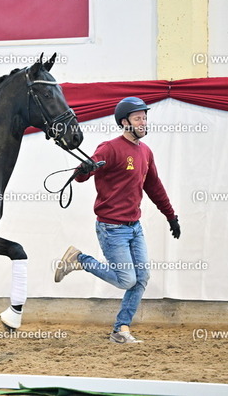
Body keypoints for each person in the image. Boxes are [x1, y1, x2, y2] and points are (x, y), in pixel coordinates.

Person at [54, 97, 181, 344]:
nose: (143, 122)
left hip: (135, 227)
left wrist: (171, 216)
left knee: (141, 279)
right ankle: (80, 260)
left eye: (145, 118)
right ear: (124, 122)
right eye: (138, 118)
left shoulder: (146, 152)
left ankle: (121, 329)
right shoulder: (110, 148)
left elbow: (154, 187)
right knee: (126, 280)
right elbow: (81, 175)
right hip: (111, 228)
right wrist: (84, 169)